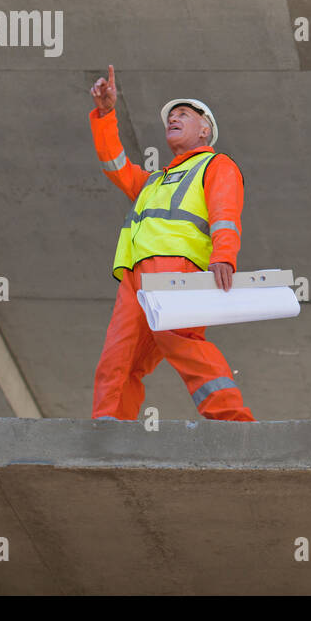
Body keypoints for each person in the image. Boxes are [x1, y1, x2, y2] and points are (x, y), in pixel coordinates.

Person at [87, 64, 254, 421]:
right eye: (171, 116)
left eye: (184, 115)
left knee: (180, 340)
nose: (173, 119)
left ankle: (233, 423)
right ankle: (108, 431)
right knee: (119, 359)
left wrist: (224, 256)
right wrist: (105, 114)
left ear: (205, 129)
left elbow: (226, 213)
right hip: (135, 278)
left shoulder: (215, 164)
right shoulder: (153, 181)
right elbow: (114, 164)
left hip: (177, 269)